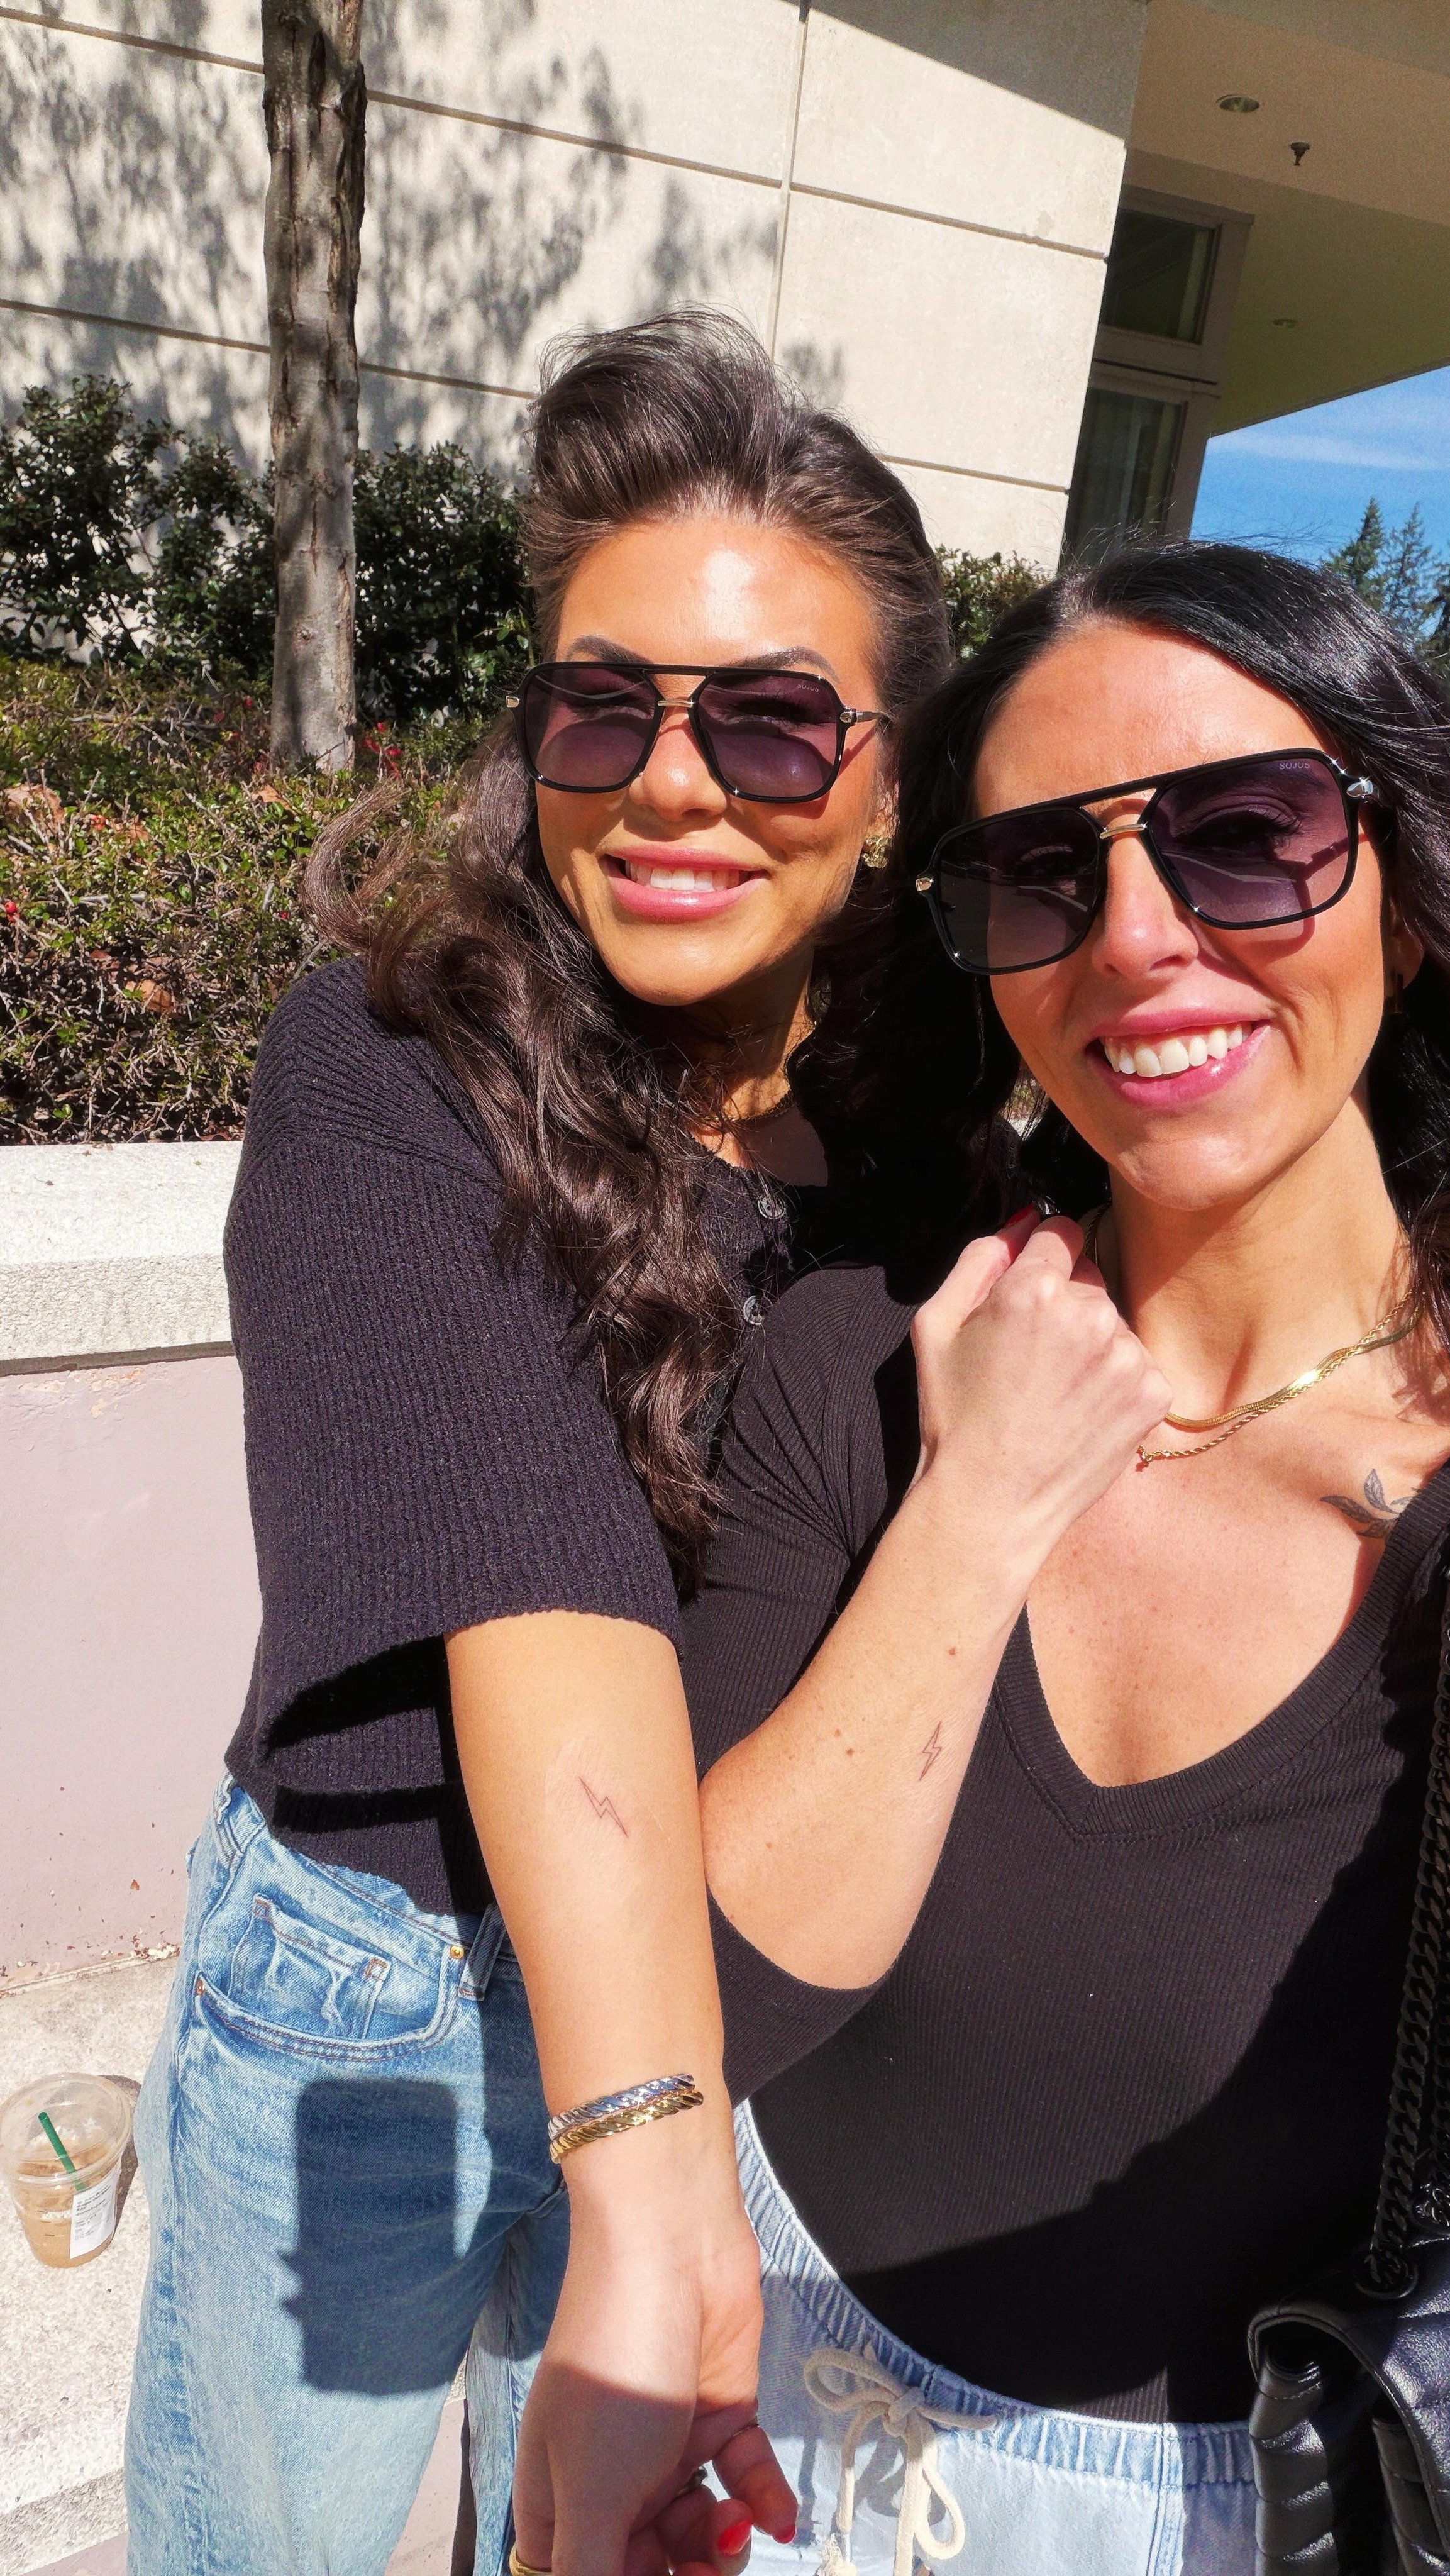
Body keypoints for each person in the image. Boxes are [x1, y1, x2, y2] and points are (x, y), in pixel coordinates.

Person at [122, 311, 953, 2576]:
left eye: (771, 721)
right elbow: (543, 1588)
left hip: (720, 1972)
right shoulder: (389, 1068)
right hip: (371, 1999)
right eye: (607, 706)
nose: (673, 784)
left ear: (888, 783)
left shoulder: (924, 1154)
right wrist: (657, 2191)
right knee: (261, 2547)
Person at [680, 541, 1450, 2573]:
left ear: (1402, 877)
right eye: (1037, 872)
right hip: (750, 2441)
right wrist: (979, 1509)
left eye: (1244, 835)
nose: (1131, 939)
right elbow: (697, 2014)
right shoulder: (857, 1367)